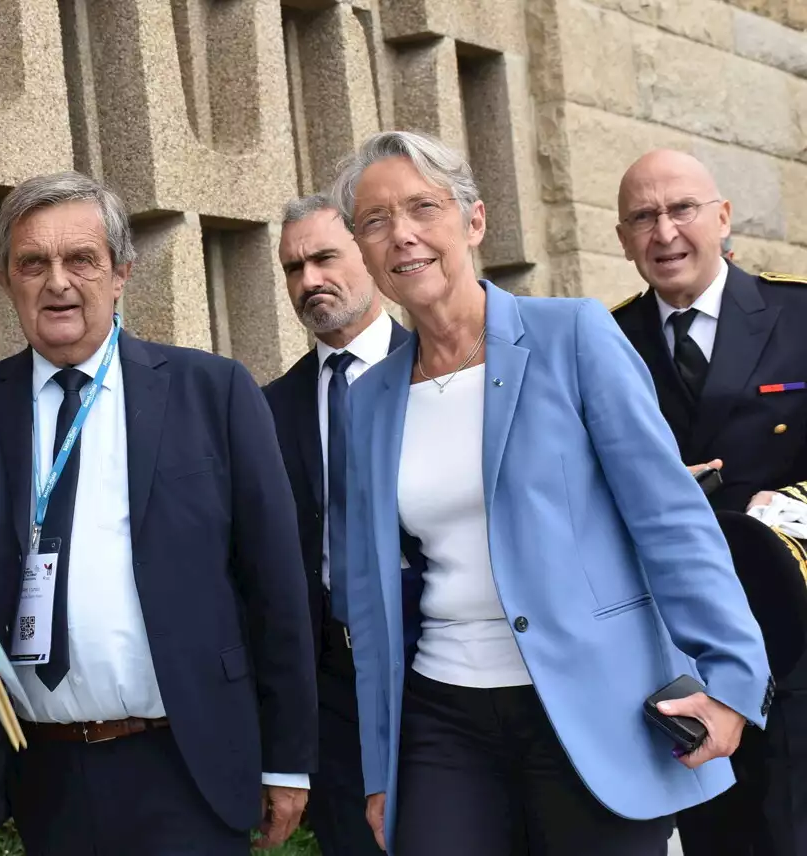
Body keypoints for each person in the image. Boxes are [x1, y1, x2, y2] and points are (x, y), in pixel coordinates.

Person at [330, 130, 774, 856]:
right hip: (445, 716)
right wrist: (379, 769)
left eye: (421, 208)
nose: (401, 235)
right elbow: (367, 595)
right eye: (375, 221)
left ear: (473, 222)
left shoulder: (574, 335)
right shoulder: (370, 397)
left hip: (596, 708)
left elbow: (670, 518)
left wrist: (730, 680)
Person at [0, 171, 317, 855]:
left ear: (121, 274)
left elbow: (278, 587)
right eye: (34, 263)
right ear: (6, 281)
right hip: (45, 775)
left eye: (80, 259)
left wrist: (288, 758)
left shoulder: (213, 392)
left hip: (185, 761)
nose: (57, 281)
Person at [610, 148, 807, 856]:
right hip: (677, 648)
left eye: (681, 209)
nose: (664, 232)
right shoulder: (605, 342)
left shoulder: (797, 314)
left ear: (722, 218)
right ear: (623, 239)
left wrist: (769, 510)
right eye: (643, 217)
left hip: (795, 627)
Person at [263, 194, 410, 855]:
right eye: (293, 268)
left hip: (437, 665)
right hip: (331, 686)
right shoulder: (267, 409)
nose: (309, 281)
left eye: (324, 258)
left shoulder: (441, 367)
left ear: (368, 255)